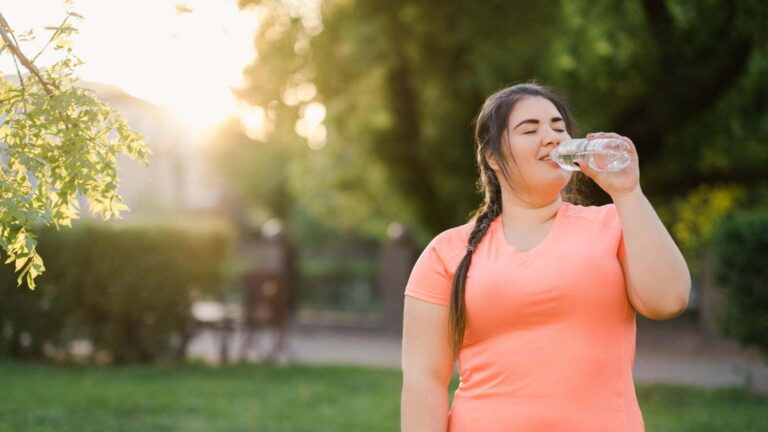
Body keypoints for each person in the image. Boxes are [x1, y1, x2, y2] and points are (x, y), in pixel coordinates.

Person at [400, 82, 691, 431]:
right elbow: (424, 380)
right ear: (492, 157)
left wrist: (627, 192)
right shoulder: (446, 252)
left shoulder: (615, 224)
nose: (552, 137)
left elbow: (668, 300)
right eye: (530, 129)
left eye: (558, 127)